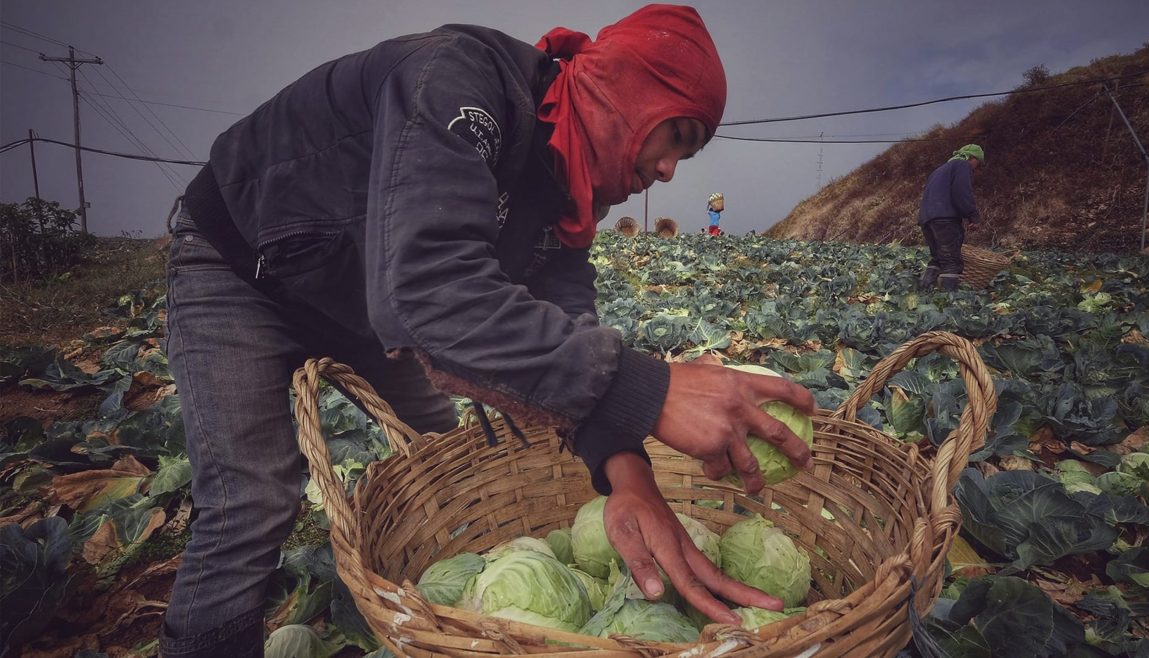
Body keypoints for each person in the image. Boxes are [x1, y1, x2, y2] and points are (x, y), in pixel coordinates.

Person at [160, 5, 815, 656]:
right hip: (243, 269)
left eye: (687, 155)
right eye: (675, 135)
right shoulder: (459, 81)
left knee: (440, 466)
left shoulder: (567, 198)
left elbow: (564, 332)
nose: (671, 170)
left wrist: (626, 472)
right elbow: (427, 287)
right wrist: (655, 391)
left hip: (365, 301)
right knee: (249, 506)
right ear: (627, 88)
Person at [916, 144, 984, 292]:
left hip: (926, 219)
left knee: (938, 258)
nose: (975, 168)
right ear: (972, 157)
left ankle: (924, 291)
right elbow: (962, 191)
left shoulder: (939, 170)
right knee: (952, 262)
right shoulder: (962, 165)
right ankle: (948, 300)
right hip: (945, 219)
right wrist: (972, 215)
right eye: (977, 163)